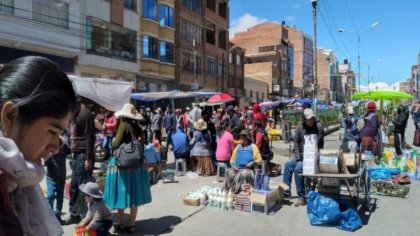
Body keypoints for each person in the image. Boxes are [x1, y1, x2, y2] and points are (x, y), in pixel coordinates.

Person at [0, 56, 77, 235]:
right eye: (52, 131)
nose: (56, 147)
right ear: (11, 116)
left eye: (60, 134)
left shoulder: (17, 181)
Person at [104, 103, 152, 233]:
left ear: (123, 116)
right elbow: (143, 143)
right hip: (137, 164)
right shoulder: (138, 127)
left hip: (123, 164)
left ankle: (119, 222)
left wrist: (114, 139)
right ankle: (131, 224)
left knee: (122, 191)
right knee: (134, 192)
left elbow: (115, 144)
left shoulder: (123, 125)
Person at [283, 109, 324, 207]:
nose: (311, 121)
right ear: (304, 119)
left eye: (312, 118)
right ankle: (286, 191)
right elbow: (296, 143)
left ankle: (301, 197)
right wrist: (298, 159)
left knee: (298, 168)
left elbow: (317, 144)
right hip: (301, 156)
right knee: (288, 165)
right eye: (309, 119)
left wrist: (304, 159)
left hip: (314, 156)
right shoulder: (299, 126)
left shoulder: (319, 127)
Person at [65, 101, 97, 225]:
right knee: (74, 186)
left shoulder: (85, 114)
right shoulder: (76, 113)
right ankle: (74, 214)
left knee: (83, 187)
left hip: (84, 154)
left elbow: (90, 136)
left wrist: (88, 157)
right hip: (77, 154)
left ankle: (85, 217)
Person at [225, 129, 262, 194]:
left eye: (242, 138)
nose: (240, 139)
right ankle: (228, 191)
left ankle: (237, 192)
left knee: (243, 174)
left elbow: (259, 159)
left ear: (246, 139)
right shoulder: (238, 147)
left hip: (248, 170)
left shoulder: (253, 147)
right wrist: (233, 166)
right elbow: (232, 160)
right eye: (240, 138)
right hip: (237, 168)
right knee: (229, 172)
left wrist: (252, 163)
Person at [45, 135, 71, 224]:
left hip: (61, 178)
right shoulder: (49, 150)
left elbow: (70, 150)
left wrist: (64, 144)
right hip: (51, 178)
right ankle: (49, 215)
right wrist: (52, 154)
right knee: (50, 196)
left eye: (58, 143)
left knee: (60, 198)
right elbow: (44, 162)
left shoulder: (63, 148)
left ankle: (58, 216)